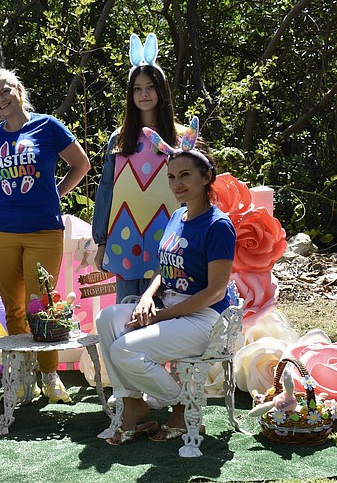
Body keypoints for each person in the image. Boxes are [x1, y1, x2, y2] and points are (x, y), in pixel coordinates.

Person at [95, 127, 236, 445]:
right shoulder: (178, 216)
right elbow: (165, 267)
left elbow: (215, 291)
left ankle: (183, 403)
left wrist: (158, 317)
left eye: (185, 175)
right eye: (171, 177)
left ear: (206, 176)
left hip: (204, 319)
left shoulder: (218, 226)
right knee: (107, 319)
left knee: (125, 350)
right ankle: (134, 405)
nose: (177, 184)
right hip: (169, 308)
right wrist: (147, 296)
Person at [0, 68, 91, 403]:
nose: (0, 101)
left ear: (18, 89)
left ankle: (50, 376)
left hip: (44, 230)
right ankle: (23, 378)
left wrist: (55, 193)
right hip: (1, 231)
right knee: (14, 307)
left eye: (5, 92)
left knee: (43, 305)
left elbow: (80, 164)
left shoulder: (48, 125)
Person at [92, 33, 180, 303]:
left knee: (166, 311)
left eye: (150, 87)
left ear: (161, 91)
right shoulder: (118, 140)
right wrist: (101, 241)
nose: (143, 94)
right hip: (124, 239)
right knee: (125, 315)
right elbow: (106, 190)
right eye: (137, 88)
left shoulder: (180, 139)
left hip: (169, 239)